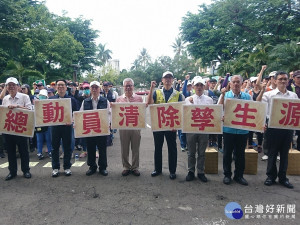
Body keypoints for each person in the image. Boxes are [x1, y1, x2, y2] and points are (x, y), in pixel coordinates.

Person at [257, 71, 298, 189]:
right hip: (273, 128)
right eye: (280, 79)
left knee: (285, 154)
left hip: (287, 128)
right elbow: (260, 106)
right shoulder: (269, 95)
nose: (283, 81)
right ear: (275, 81)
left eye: (285, 79)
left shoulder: (293, 96)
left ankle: (283, 178)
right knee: (272, 153)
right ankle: (270, 176)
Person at [147, 71, 183, 180]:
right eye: (165, 78)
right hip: (159, 125)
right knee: (158, 147)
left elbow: (181, 110)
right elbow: (149, 103)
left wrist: (177, 125)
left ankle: (172, 171)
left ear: (173, 80)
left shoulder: (178, 94)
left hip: (171, 126)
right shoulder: (156, 92)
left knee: (172, 148)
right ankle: (157, 169)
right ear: (162, 80)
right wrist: (151, 89)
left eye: (169, 78)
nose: (167, 80)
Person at [218, 75, 252, 186]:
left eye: (238, 82)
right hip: (228, 130)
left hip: (242, 131)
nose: (236, 84)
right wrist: (222, 116)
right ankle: (227, 175)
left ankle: (239, 175)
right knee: (227, 153)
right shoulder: (225, 95)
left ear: (242, 83)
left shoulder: (247, 97)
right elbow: (218, 109)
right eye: (234, 82)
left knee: (240, 154)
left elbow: (253, 111)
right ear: (230, 83)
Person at [2, 77, 32, 180]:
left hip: (21, 128)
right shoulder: (5, 99)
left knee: (24, 150)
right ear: (6, 87)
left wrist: (16, 107)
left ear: (18, 86)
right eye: (9, 85)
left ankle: (26, 170)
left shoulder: (24, 97)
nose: (11, 87)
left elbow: (30, 109)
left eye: (13, 85)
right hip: (9, 129)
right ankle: (12, 171)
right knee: (10, 151)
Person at [185, 77, 213, 182]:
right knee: (191, 152)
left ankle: (201, 171)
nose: (199, 87)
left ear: (204, 86)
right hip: (191, 130)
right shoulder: (188, 99)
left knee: (202, 153)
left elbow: (212, 115)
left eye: (201, 85)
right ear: (193, 86)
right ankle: (191, 171)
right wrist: (191, 104)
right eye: (197, 85)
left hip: (203, 130)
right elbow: (186, 114)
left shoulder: (209, 100)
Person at [80, 81, 110, 176]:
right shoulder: (85, 101)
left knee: (102, 149)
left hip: (102, 129)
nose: (94, 89)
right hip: (90, 129)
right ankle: (92, 167)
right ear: (90, 89)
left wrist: (109, 124)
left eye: (96, 87)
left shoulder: (105, 101)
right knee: (91, 148)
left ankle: (103, 167)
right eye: (92, 87)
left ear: (99, 89)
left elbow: (109, 114)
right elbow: (81, 114)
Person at [50, 79, 78, 177]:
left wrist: (72, 120)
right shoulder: (51, 99)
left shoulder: (72, 100)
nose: (61, 87)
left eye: (62, 85)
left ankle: (67, 167)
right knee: (54, 148)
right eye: (59, 85)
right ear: (56, 87)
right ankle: (55, 168)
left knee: (67, 147)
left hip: (67, 127)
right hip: (55, 127)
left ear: (66, 87)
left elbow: (76, 113)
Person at [116, 78, 143, 176]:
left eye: (130, 85)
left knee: (135, 148)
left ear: (133, 86)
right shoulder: (118, 99)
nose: (128, 87)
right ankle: (126, 167)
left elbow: (142, 112)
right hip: (123, 127)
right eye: (126, 85)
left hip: (135, 127)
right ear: (123, 87)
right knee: (124, 148)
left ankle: (135, 167)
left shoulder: (139, 98)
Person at [35, 89, 53, 160]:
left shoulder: (49, 103)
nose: (42, 97)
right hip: (39, 124)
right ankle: (39, 152)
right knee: (39, 139)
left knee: (48, 139)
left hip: (47, 125)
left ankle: (50, 151)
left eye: (43, 96)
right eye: (41, 96)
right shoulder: (36, 104)